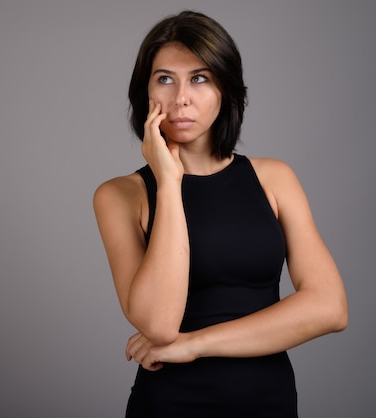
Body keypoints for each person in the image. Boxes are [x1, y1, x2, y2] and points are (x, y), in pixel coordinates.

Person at [93, 10, 348, 417]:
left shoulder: (274, 178)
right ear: (145, 93)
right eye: (164, 79)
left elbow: (330, 307)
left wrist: (194, 345)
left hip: (270, 401)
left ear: (225, 89)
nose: (180, 98)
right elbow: (159, 325)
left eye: (199, 78)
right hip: (171, 403)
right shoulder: (121, 195)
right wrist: (170, 183)